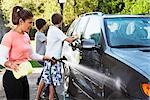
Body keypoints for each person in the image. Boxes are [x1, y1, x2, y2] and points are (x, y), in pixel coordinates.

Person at [0, 6, 52, 100]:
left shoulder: (26, 36)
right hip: (12, 77)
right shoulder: (9, 36)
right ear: (21, 21)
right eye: (29, 22)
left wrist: (44, 57)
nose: (31, 25)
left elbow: (31, 55)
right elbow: (1, 58)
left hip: (22, 76)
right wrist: (10, 64)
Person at [36, 13, 77, 100]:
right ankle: (50, 98)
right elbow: (68, 40)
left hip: (49, 59)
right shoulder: (56, 31)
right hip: (53, 61)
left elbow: (63, 38)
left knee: (47, 80)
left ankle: (39, 98)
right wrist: (76, 37)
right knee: (52, 82)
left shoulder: (51, 29)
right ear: (61, 21)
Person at [35, 18, 47, 85]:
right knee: (46, 68)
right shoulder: (39, 34)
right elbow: (48, 42)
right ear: (42, 26)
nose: (46, 27)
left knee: (46, 68)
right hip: (40, 56)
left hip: (41, 55)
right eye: (45, 25)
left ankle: (40, 81)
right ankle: (40, 81)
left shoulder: (40, 34)